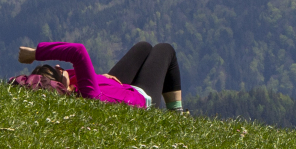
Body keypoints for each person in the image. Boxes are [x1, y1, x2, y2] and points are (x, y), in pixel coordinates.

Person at [15, 41, 185, 112]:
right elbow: (78, 51)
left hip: (111, 89)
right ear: (61, 85)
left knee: (143, 48)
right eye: (58, 71)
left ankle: (106, 81)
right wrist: (36, 53)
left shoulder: (76, 91)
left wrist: (101, 78)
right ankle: (176, 116)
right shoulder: (88, 95)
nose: (60, 67)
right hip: (140, 98)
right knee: (164, 49)